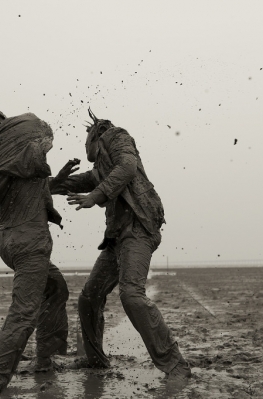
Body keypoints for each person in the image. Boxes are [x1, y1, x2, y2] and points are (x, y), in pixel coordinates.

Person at [50, 108, 192, 387]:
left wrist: (96, 196)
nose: (84, 147)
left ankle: (176, 365)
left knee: (132, 295)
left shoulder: (116, 136)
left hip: (139, 227)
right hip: (117, 237)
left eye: (85, 139)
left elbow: (127, 168)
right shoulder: (102, 167)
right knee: (89, 297)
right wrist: (52, 181)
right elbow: (79, 181)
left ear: (95, 134)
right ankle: (95, 359)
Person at [0, 104, 75, 397]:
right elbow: (40, 132)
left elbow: (30, 183)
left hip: (7, 242)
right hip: (28, 243)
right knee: (23, 314)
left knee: (56, 287)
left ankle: (45, 360)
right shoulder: (22, 139)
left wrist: (57, 181)